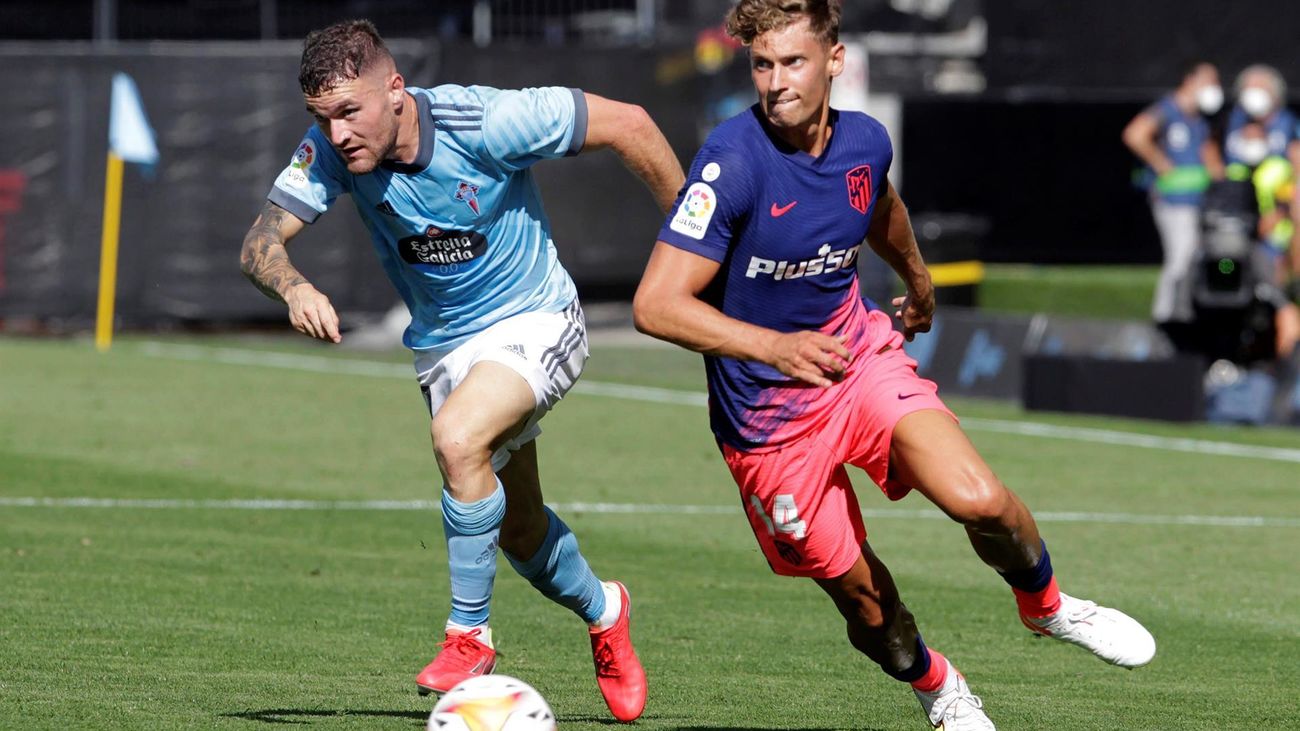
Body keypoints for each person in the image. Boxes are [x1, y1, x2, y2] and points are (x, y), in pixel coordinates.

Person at [632, 2, 1155, 729]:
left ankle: (1050, 607)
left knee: (981, 498)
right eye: (761, 65)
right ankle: (939, 687)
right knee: (871, 607)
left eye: (793, 63)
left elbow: (878, 204)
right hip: (767, 423)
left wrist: (918, 278)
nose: (776, 82)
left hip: (855, 360)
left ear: (835, 61)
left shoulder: (866, 142)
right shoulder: (733, 162)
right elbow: (655, 305)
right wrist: (775, 346)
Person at [238, 20, 684, 722]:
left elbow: (631, 123)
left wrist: (691, 245)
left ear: (395, 89)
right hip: (447, 348)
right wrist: (292, 286)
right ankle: (606, 610)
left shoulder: (490, 120)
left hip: (537, 318)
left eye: (349, 111)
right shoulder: (330, 150)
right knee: (520, 528)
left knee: (456, 438)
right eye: (321, 117)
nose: (336, 132)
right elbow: (260, 240)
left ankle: (468, 634)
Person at [1122, 61, 1225, 341]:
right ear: (1190, 80)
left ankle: (1186, 315)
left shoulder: (1201, 120)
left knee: (1196, 258)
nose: (1214, 88)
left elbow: (1212, 161)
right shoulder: (1168, 110)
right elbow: (1134, 134)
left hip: (1199, 202)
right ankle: (1165, 319)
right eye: (1208, 80)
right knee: (1180, 257)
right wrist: (1163, 164)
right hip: (1173, 200)